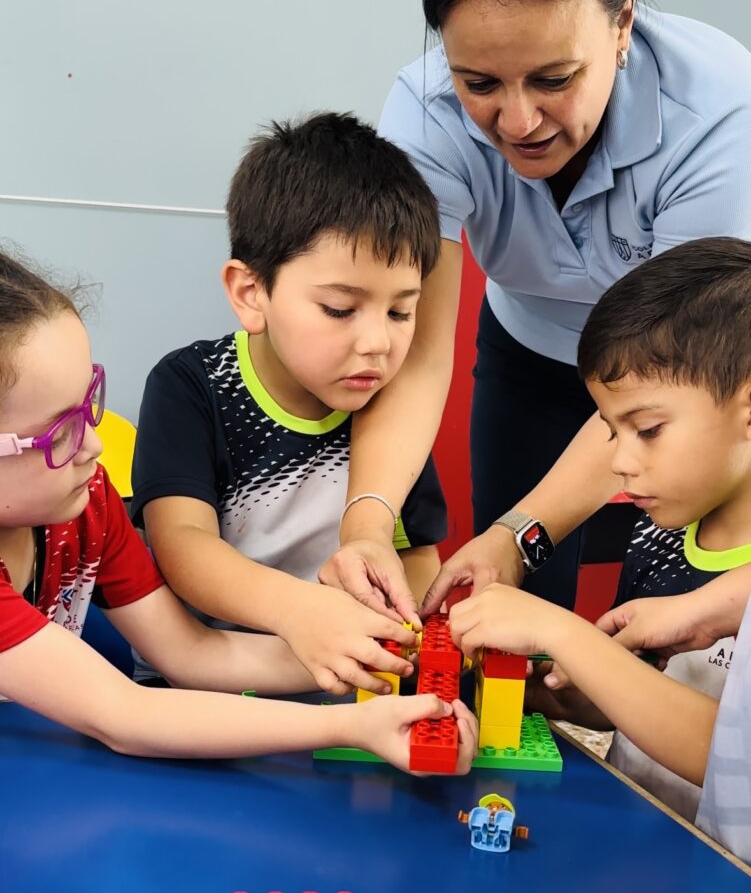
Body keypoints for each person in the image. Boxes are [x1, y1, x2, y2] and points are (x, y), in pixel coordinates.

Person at [318, 0, 751, 623]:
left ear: (622, 23)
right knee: (507, 604)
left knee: (665, 608)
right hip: (528, 351)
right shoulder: (425, 110)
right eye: (479, 84)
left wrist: (523, 533)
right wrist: (368, 523)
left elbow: (671, 375)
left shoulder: (720, 110)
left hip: (689, 380)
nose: (517, 124)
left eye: (554, 79)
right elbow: (418, 353)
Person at [0, 250, 478, 772]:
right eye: (60, 432)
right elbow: (122, 713)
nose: (93, 446)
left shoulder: (87, 503)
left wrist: (379, 653)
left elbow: (190, 652)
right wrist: (348, 726)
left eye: (88, 403)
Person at [130, 113, 447, 695]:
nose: (378, 343)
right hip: (202, 689)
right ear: (252, 294)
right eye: (340, 309)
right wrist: (302, 613)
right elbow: (183, 545)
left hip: (347, 687)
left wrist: (417, 630)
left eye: (401, 311)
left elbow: (415, 553)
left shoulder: (387, 411)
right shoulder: (192, 385)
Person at [449, 237, 751, 829]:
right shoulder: (658, 535)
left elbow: (725, 756)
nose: (619, 462)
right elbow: (630, 701)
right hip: (641, 848)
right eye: (613, 432)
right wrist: (539, 681)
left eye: (647, 429)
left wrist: (564, 632)